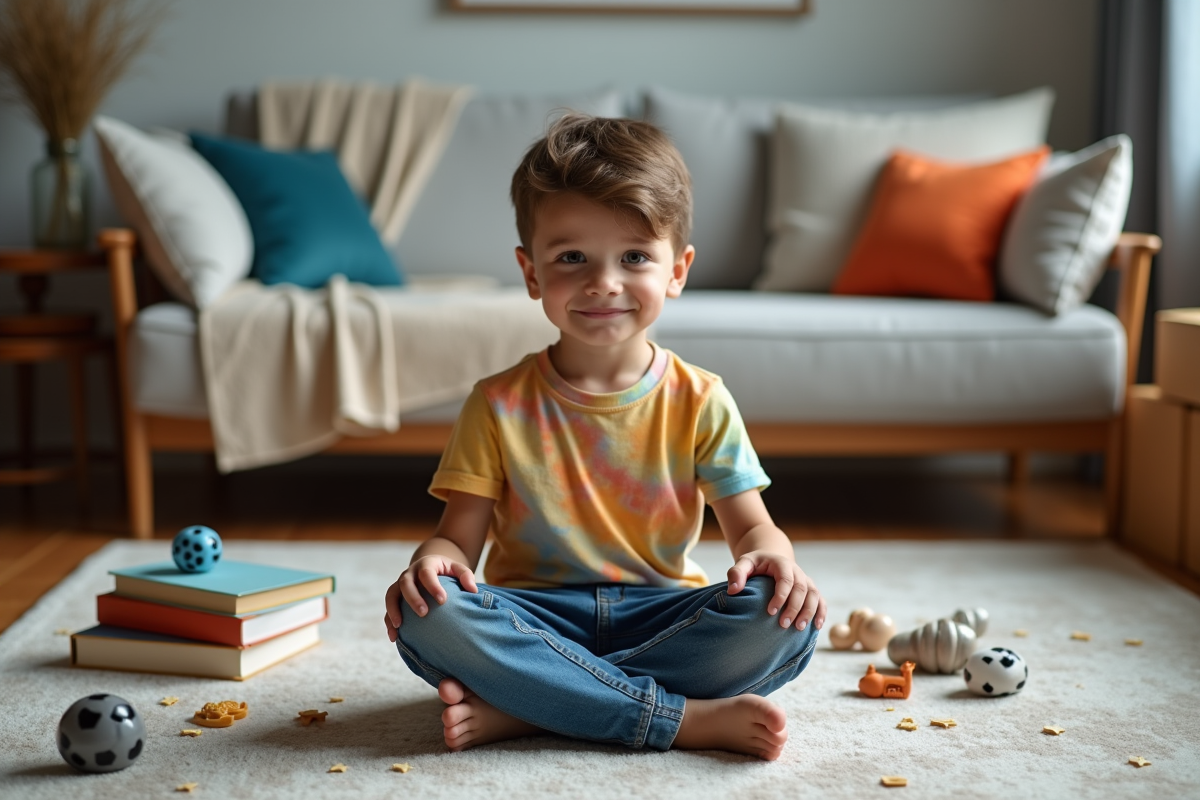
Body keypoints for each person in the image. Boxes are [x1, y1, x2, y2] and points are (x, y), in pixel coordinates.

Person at [383, 113, 826, 761]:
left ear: (677, 271)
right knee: (429, 611)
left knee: (781, 615)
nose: (604, 282)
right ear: (531, 272)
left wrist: (777, 558)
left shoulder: (702, 399)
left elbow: (753, 531)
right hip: (533, 613)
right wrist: (431, 559)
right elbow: (458, 539)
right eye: (571, 258)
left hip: (664, 611)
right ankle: (672, 718)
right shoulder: (497, 403)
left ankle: (537, 704)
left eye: (635, 257)